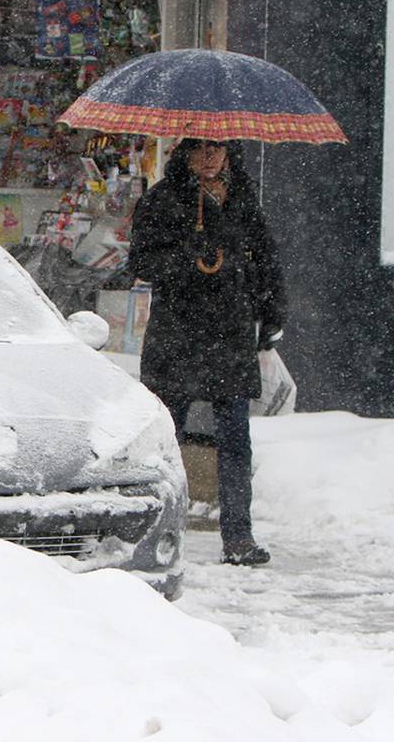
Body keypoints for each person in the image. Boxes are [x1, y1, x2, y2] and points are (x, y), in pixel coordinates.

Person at [129, 138, 286, 566]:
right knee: (167, 438)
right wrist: (187, 257)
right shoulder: (164, 199)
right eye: (201, 148)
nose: (211, 157)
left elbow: (267, 259)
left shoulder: (242, 199)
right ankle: (158, 531)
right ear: (186, 153)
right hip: (179, 335)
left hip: (230, 336)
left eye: (218, 149)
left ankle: (238, 536)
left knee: (235, 439)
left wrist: (272, 312)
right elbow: (140, 261)